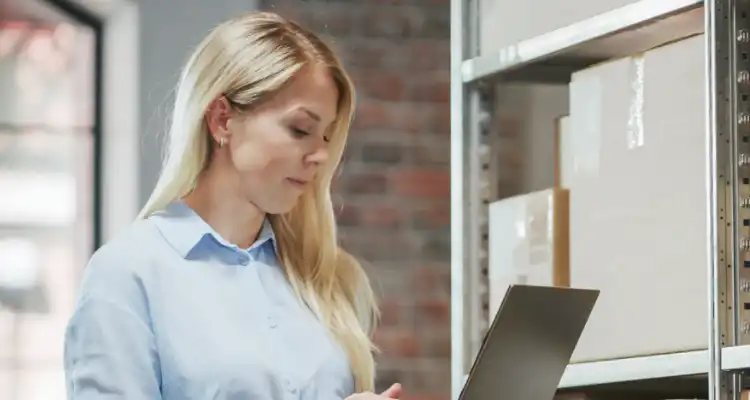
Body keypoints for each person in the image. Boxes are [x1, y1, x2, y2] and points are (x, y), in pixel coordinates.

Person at [63, 11, 402, 400]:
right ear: (223, 119)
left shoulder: (327, 278)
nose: (321, 155)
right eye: (300, 130)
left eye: (327, 137)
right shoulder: (127, 275)